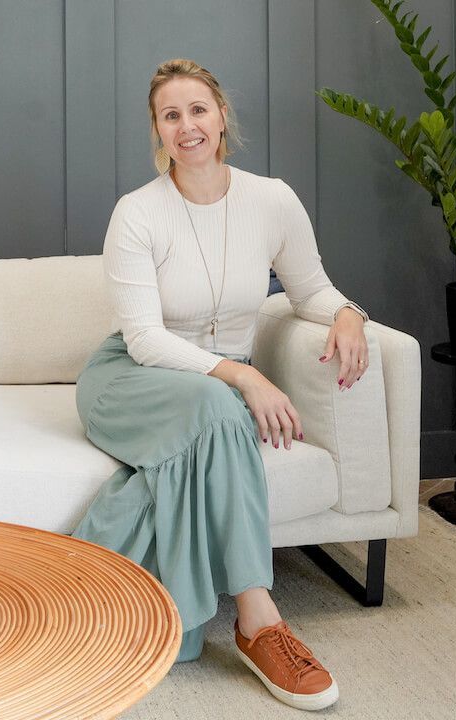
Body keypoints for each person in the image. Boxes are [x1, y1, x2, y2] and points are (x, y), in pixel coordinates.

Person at [72, 58, 369, 712]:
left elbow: (311, 290)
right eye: (170, 115)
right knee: (222, 405)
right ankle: (260, 620)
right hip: (132, 377)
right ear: (157, 129)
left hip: (208, 397)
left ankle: (80, 588)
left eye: (197, 110)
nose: (187, 126)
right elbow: (146, 340)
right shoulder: (137, 213)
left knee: (214, 416)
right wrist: (243, 375)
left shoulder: (272, 199)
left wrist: (350, 314)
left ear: (221, 114)